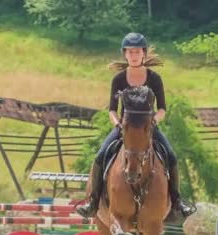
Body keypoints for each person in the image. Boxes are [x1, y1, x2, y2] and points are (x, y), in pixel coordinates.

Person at [76, 32, 195, 219]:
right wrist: (118, 125)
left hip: (149, 128)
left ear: (144, 54)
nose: (133, 55)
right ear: (125, 54)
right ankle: (93, 201)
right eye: (130, 52)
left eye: (137, 52)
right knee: (100, 156)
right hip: (125, 129)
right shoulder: (118, 79)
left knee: (171, 156)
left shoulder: (155, 79)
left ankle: (177, 202)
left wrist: (154, 121)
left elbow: (162, 108)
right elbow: (112, 110)